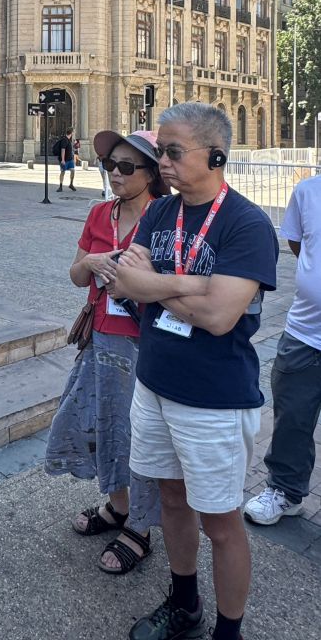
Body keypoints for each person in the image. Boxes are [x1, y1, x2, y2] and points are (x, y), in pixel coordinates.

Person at [113, 102, 278, 640]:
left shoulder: (247, 224)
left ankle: (228, 633)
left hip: (214, 400)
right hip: (154, 383)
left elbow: (219, 317)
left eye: (173, 151)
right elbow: (123, 281)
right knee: (171, 498)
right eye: (160, 150)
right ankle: (184, 605)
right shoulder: (161, 211)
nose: (161, 161)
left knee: (221, 522)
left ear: (216, 156)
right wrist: (191, 284)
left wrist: (156, 285)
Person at [45, 130, 166, 574]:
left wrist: (138, 281)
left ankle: (141, 527)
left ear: (151, 174)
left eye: (126, 167)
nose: (115, 174)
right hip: (100, 338)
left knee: (138, 435)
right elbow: (76, 275)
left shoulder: (165, 219)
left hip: (145, 346)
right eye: (109, 165)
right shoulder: (99, 213)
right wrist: (90, 263)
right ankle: (119, 507)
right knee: (101, 425)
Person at [244, 172, 321, 525]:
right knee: (292, 417)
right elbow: (299, 243)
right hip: (305, 332)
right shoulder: (308, 191)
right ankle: (285, 491)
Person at [57, 127, 76, 192]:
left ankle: (71, 184)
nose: (73, 133)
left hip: (70, 159)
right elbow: (63, 150)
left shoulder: (69, 140)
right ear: (71, 133)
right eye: (73, 132)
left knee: (73, 171)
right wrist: (62, 160)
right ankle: (60, 186)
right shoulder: (64, 140)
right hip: (65, 160)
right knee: (63, 172)